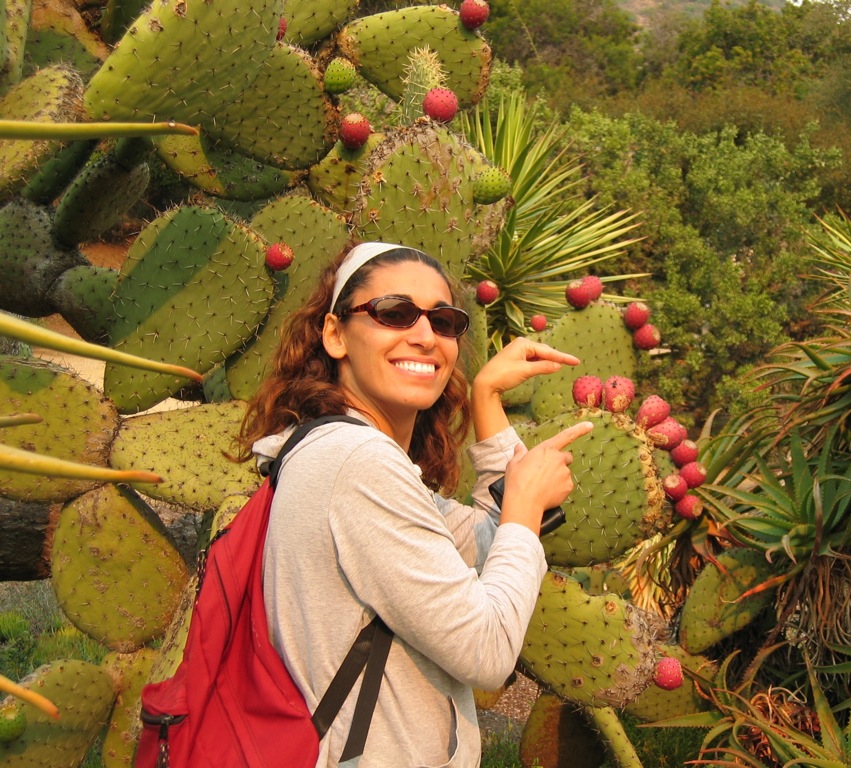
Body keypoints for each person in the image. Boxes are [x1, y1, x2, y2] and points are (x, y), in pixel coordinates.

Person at [236, 241, 592, 768]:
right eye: (394, 313)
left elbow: (491, 548)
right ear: (335, 335)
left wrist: (486, 398)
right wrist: (523, 505)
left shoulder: (326, 448)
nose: (425, 336)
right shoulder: (359, 464)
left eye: (444, 321)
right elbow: (487, 650)